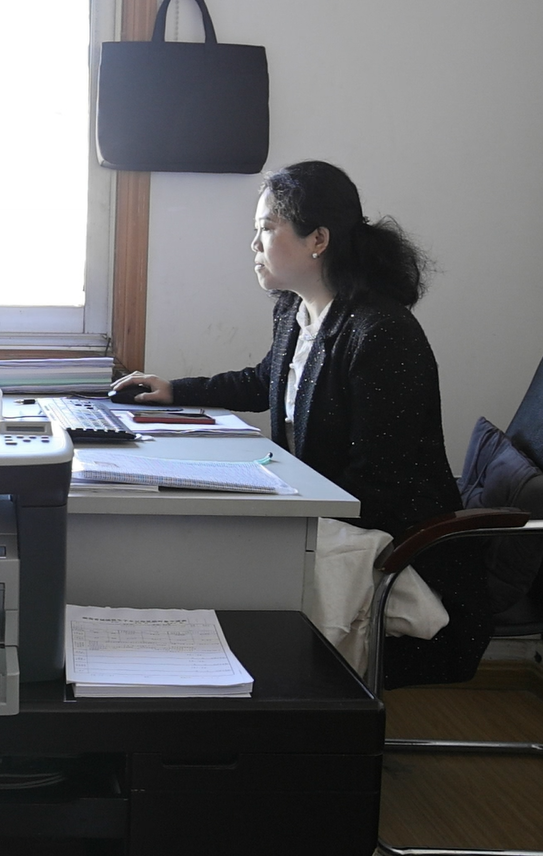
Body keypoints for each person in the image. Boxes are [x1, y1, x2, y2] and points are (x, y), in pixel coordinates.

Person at [110, 160, 488, 688]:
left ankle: (274, 699)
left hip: (389, 535)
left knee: (227, 550)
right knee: (209, 534)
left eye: (267, 228)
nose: (254, 244)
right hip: (324, 511)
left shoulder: (381, 333)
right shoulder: (296, 310)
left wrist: (280, 505)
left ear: (318, 240)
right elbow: (266, 379)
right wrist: (177, 390)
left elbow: (382, 480)